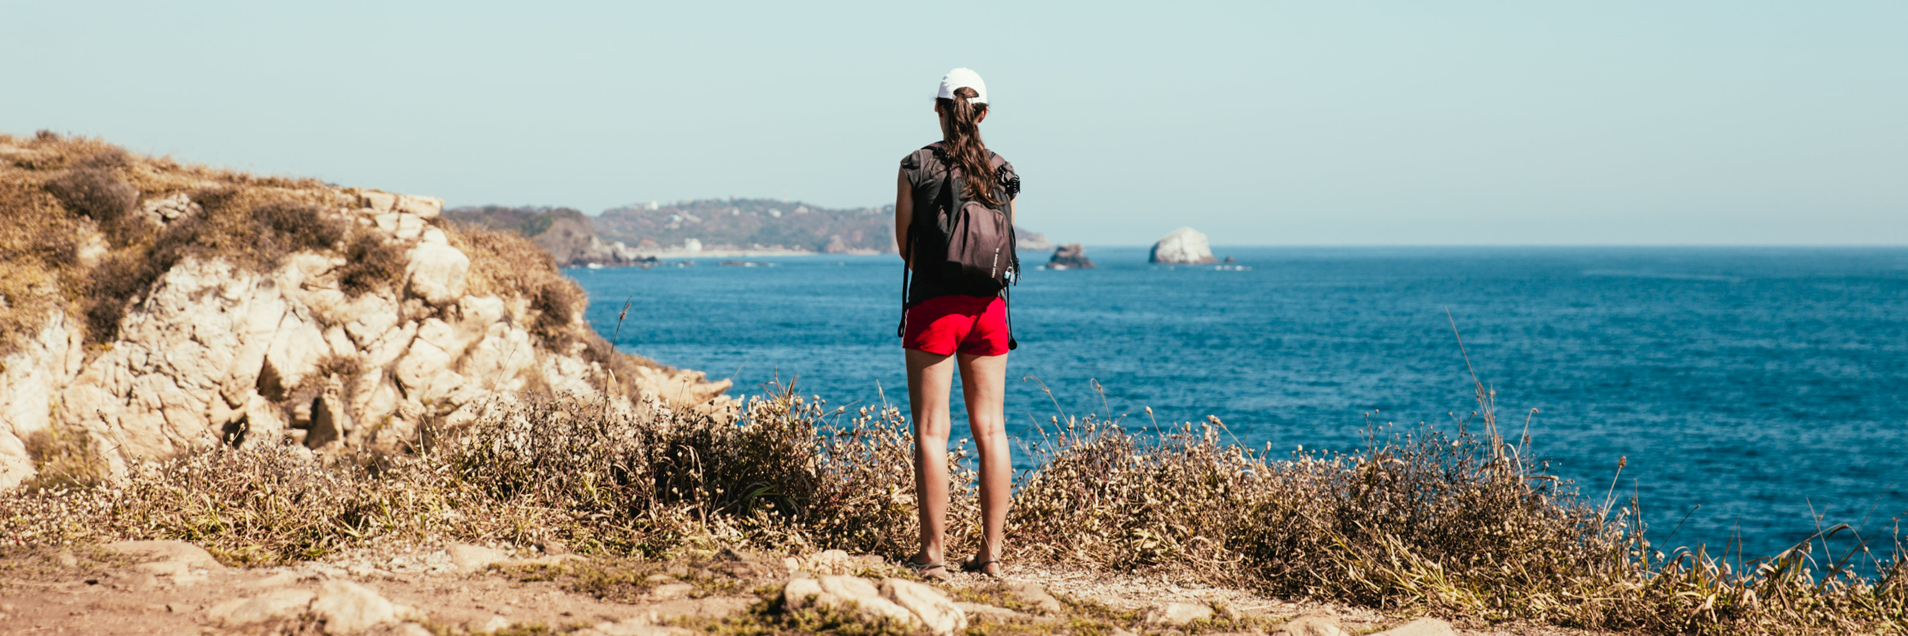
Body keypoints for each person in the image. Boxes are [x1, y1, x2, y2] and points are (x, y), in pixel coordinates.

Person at [894, 67, 1021, 579]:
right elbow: (1004, 247)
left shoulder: (915, 165)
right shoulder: (1004, 170)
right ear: (983, 114)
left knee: (932, 431)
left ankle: (933, 556)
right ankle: (991, 557)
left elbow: (905, 246)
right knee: (991, 429)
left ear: (938, 109)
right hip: (990, 311)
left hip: (934, 307)